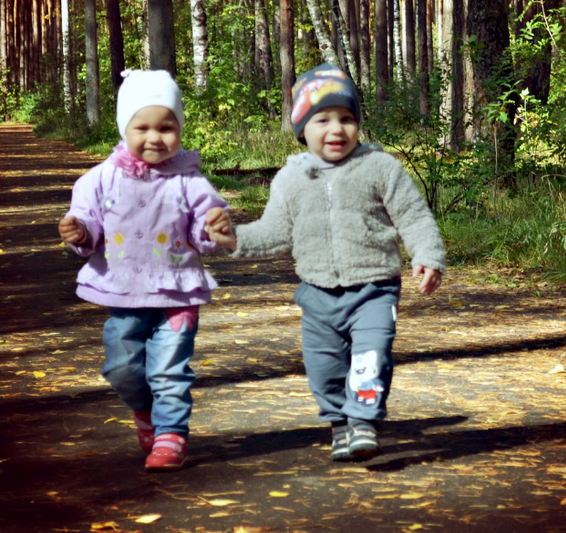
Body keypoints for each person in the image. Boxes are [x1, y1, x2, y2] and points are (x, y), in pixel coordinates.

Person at [205, 63, 445, 461]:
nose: (337, 129)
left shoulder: (380, 167)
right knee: (324, 368)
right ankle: (339, 424)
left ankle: (363, 421)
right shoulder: (291, 178)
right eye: (323, 120)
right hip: (317, 293)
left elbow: (413, 216)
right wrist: (235, 239)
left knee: (371, 357)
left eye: (347, 119)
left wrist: (428, 254)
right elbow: (275, 231)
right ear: (302, 129)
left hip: (374, 287)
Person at [59, 69, 231, 472]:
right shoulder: (101, 179)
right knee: (121, 368)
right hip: (124, 292)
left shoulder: (190, 181)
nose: (155, 137)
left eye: (166, 127)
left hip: (178, 292)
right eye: (143, 127)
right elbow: (87, 220)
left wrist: (213, 229)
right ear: (125, 127)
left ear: (179, 129)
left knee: (169, 369)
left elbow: (205, 225)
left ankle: (171, 436)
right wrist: (80, 231)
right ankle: (146, 413)